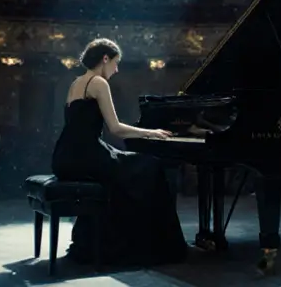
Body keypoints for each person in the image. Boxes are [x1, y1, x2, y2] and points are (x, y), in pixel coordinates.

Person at [51, 38, 189, 266]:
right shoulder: (98, 83)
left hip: (64, 156)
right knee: (150, 168)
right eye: (115, 63)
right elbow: (115, 128)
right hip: (86, 156)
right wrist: (151, 133)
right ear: (105, 59)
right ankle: (148, 246)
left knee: (130, 171)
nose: (116, 69)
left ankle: (97, 241)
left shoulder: (77, 82)